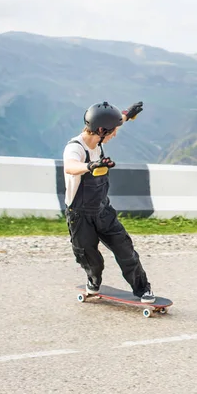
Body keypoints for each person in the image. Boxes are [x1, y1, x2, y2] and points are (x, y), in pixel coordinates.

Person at [62, 100, 156, 303]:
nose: (114, 135)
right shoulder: (75, 148)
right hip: (80, 215)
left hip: (103, 211)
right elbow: (70, 166)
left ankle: (143, 289)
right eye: (112, 131)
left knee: (126, 250)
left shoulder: (99, 137)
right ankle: (93, 281)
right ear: (101, 130)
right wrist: (91, 165)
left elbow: (115, 121)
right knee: (91, 259)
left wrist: (126, 115)